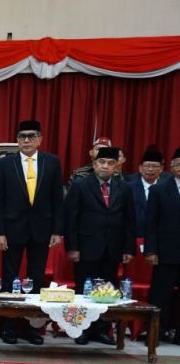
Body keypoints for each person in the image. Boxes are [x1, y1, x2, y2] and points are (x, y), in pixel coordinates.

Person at [0, 120, 63, 345]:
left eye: (31, 136)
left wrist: (57, 230)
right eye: (22, 136)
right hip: (12, 229)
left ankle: (31, 328)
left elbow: (57, 199)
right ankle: (8, 327)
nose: (26, 140)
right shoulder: (6, 163)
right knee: (9, 278)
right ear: (17, 140)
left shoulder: (52, 162)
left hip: (41, 229)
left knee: (36, 278)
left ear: (40, 139)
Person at [63, 146, 135, 345]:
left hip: (113, 247)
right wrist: (72, 247)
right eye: (102, 162)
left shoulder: (124, 187)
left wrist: (128, 248)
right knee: (83, 290)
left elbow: (130, 220)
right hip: (86, 247)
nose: (105, 166)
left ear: (116, 166)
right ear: (94, 164)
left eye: (110, 163)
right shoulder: (80, 185)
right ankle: (81, 329)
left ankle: (102, 331)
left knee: (107, 291)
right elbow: (70, 218)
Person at [143, 146, 180, 344]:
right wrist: (151, 250)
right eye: (178, 164)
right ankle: (155, 333)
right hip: (166, 252)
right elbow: (150, 223)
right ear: (171, 167)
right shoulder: (159, 189)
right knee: (160, 295)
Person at [131, 147, 165, 237]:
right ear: (140, 168)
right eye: (147, 166)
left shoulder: (166, 189)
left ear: (161, 169)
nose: (150, 169)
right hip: (135, 236)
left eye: (154, 166)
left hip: (159, 237)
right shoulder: (129, 188)